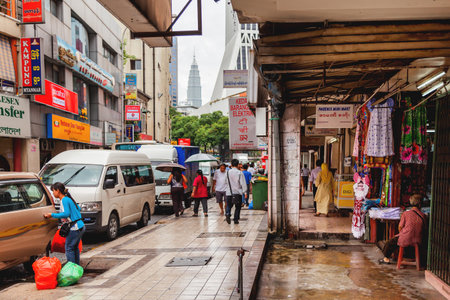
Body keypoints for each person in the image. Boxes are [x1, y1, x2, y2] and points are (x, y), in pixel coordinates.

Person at [44, 182, 85, 265]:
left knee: (69, 248)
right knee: (74, 248)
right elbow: (78, 208)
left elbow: (66, 213)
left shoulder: (64, 200)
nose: (53, 193)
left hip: (74, 228)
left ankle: (71, 269)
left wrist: (51, 215)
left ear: (58, 191)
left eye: (53, 191)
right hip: (81, 226)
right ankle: (76, 267)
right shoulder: (69, 199)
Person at [379, 194, 426, 265]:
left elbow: (400, 227)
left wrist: (403, 234)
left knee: (390, 243)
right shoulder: (423, 215)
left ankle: (386, 259)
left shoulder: (406, 214)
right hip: (418, 239)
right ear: (420, 204)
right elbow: (424, 228)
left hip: (406, 238)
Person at [225, 159, 248, 224]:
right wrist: (245, 192)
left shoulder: (227, 172)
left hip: (229, 192)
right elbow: (243, 183)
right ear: (238, 165)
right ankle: (236, 219)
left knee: (229, 205)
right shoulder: (239, 173)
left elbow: (225, 182)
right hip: (238, 193)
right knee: (238, 207)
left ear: (231, 165)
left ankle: (227, 213)